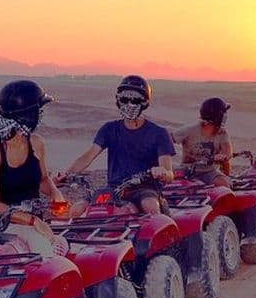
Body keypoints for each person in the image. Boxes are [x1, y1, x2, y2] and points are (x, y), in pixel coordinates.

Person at [59, 75, 174, 214]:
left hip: (145, 188)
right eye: (125, 99)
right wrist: (66, 174)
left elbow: (169, 174)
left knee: (150, 206)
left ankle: (157, 234)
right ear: (118, 100)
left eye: (135, 99)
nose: (129, 104)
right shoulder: (109, 129)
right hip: (114, 188)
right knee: (76, 210)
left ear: (145, 102)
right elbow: (88, 156)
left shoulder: (159, 133)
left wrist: (161, 172)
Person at [0, 80, 67, 256]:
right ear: (30, 115)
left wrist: (56, 193)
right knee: (44, 250)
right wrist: (33, 221)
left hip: (32, 220)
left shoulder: (36, 143)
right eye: (39, 110)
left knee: (64, 243)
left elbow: (42, 180)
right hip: (3, 222)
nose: (41, 114)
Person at [172, 97, 232, 187]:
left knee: (224, 184)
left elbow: (227, 152)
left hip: (208, 171)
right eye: (224, 114)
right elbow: (166, 139)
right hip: (187, 169)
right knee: (172, 185)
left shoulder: (221, 133)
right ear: (218, 116)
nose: (225, 116)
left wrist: (223, 156)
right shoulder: (190, 130)